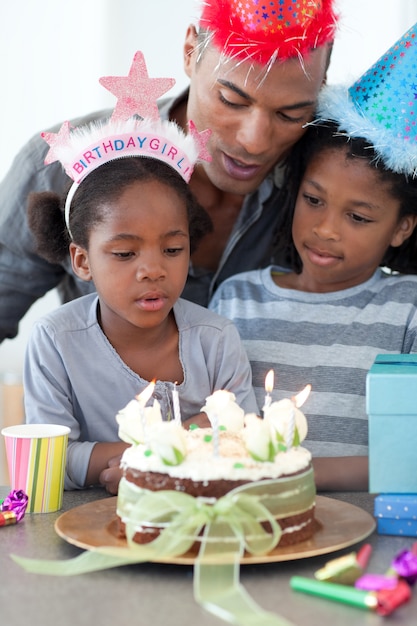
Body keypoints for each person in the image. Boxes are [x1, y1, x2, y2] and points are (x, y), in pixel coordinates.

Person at [0, 0, 338, 342]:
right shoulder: (59, 166)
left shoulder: (337, 181)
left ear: (321, 86)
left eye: (290, 115)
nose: (254, 142)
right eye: (231, 101)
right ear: (191, 52)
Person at [24, 52, 259, 495]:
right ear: (82, 261)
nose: (153, 269)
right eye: (125, 253)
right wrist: (172, 445)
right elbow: (50, 452)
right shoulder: (54, 340)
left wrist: (139, 458)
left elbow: (243, 435)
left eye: (173, 249)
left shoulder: (216, 338)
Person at [209, 23, 417, 492]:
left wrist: (286, 475)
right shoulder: (237, 299)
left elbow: (407, 457)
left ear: (402, 227)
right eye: (314, 200)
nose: (325, 229)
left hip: (366, 526)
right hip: (248, 516)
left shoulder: (407, 308)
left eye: (359, 217)